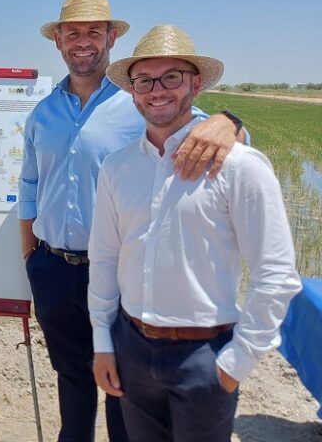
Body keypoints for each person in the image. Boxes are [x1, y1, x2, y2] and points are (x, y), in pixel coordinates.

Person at [18, 0, 244, 442]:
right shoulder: (43, 113)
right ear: (58, 42)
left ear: (112, 39)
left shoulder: (141, 99)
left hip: (121, 273)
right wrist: (32, 259)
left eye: (94, 33)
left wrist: (230, 120)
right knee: (72, 375)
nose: (83, 42)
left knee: (123, 383)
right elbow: (29, 190)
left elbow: (211, 131)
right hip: (52, 269)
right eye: (73, 33)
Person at [88, 24, 302, 441]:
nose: (157, 90)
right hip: (131, 346)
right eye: (145, 80)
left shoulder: (240, 167)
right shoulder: (117, 168)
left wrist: (234, 365)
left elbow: (276, 275)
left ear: (196, 83)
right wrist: (103, 341)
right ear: (133, 90)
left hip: (204, 357)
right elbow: (105, 259)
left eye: (172, 77)